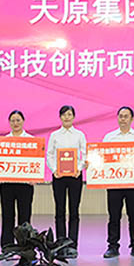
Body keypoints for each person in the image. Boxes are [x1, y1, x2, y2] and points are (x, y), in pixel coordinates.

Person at [101, 106, 134, 259]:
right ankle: (112, 246)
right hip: (114, 184)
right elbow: (102, 158)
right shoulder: (109, 137)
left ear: (132, 119)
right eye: (120, 116)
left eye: (126, 116)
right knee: (114, 216)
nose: (123, 119)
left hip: (133, 183)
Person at [46, 105, 87, 258]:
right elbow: (50, 154)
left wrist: (79, 168)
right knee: (60, 211)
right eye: (64, 115)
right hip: (59, 177)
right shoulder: (54, 135)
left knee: (74, 211)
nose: (67, 117)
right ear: (60, 117)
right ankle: (61, 244)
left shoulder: (79, 135)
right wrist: (54, 169)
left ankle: (72, 245)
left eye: (69, 114)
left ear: (74, 117)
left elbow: (84, 154)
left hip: (75, 176)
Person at [0, 110, 35, 248]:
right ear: (9, 123)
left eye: (18, 120)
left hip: (25, 184)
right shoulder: (4, 141)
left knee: (25, 217)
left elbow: (36, 161)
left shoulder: (31, 140)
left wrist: (35, 177)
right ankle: (7, 246)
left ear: (23, 121)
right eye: (13, 120)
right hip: (7, 184)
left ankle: (25, 246)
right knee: (7, 216)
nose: (15, 123)